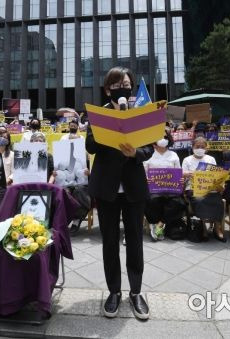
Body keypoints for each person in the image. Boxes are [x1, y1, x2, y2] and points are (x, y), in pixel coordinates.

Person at [86, 66, 152, 320]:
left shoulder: (140, 114)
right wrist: (110, 129)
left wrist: (135, 153)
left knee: (135, 241)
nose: (122, 88)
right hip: (107, 189)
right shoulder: (98, 114)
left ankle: (136, 292)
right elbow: (90, 146)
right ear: (108, 89)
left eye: (127, 84)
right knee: (110, 242)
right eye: (117, 84)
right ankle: (113, 291)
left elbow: (148, 149)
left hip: (134, 187)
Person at [143, 132, 186, 241]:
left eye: (166, 137)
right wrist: (146, 179)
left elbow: (178, 172)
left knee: (178, 202)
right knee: (152, 201)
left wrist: (180, 179)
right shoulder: (148, 154)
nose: (163, 139)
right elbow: (143, 173)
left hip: (171, 188)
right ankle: (154, 223)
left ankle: (160, 224)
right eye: (160, 137)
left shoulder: (173, 155)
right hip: (154, 188)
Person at [182, 137, 226, 242]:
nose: (200, 148)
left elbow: (215, 174)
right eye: (197, 146)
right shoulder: (187, 160)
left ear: (206, 148)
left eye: (203, 146)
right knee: (199, 200)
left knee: (218, 200)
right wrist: (189, 174)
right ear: (193, 147)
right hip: (192, 187)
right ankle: (203, 227)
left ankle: (217, 226)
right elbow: (182, 174)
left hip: (209, 187)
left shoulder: (211, 159)